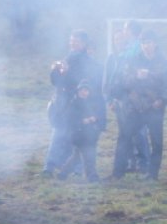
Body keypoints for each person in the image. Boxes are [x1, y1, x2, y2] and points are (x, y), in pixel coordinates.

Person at [42, 30, 103, 177]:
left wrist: (67, 73)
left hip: (78, 106)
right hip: (63, 104)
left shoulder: (88, 62)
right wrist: (55, 70)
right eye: (71, 41)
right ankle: (50, 167)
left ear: (83, 44)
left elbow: (84, 84)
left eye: (75, 41)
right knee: (59, 134)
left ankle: (76, 169)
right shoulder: (68, 58)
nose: (72, 44)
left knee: (76, 137)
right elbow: (57, 82)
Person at [109, 30, 167, 180]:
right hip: (136, 107)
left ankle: (152, 175)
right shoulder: (133, 60)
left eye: (149, 42)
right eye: (143, 43)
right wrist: (135, 76)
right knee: (124, 137)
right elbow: (124, 81)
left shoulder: (163, 60)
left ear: (155, 43)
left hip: (155, 107)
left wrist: (162, 99)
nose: (146, 46)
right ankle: (117, 173)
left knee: (157, 142)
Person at [57, 79, 105, 182]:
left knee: (76, 157)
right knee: (89, 156)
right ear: (78, 91)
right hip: (79, 135)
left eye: (86, 90)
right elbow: (70, 119)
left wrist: (95, 119)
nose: (84, 92)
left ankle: (63, 173)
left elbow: (98, 115)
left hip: (90, 135)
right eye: (82, 90)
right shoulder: (73, 104)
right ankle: (92, 177)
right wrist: (83, 121)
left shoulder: (91, 103)